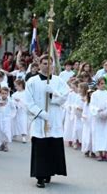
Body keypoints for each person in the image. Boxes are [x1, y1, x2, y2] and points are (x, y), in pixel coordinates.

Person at [24, 55, 69, 188]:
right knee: (41, 147)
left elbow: (65, 96)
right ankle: (40, 176)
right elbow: (28, 102)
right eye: (44, 63)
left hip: (54, 118)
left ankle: (49, 172)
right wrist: (41, 113)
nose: (47, 66)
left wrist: (53, 93)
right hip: (39, 119)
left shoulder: (58, 81)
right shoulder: (32, 81)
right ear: (39, 65)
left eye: (50, 64)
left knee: (52, 146)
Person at [90, 77, 107, 162]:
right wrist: (98, 110)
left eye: (104, 83)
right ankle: (99, 152)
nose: (103, 85)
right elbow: (92, 106)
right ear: (97, 85)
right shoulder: (94, 94)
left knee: (106, 134)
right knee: (98, 134)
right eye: (101, 83)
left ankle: (106, 152)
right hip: (98, 118)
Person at [0, 87, 16, 152]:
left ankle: (6, 145)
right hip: (0, 118)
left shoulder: (10, 101)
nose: (4, 95)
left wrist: (11, 116)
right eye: (2, 93)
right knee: (0, 132)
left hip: (7, 118)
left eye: (5, 93)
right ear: (0, 93)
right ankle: (2, 144)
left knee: (6, 131)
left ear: (8, 94)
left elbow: (14, 109)